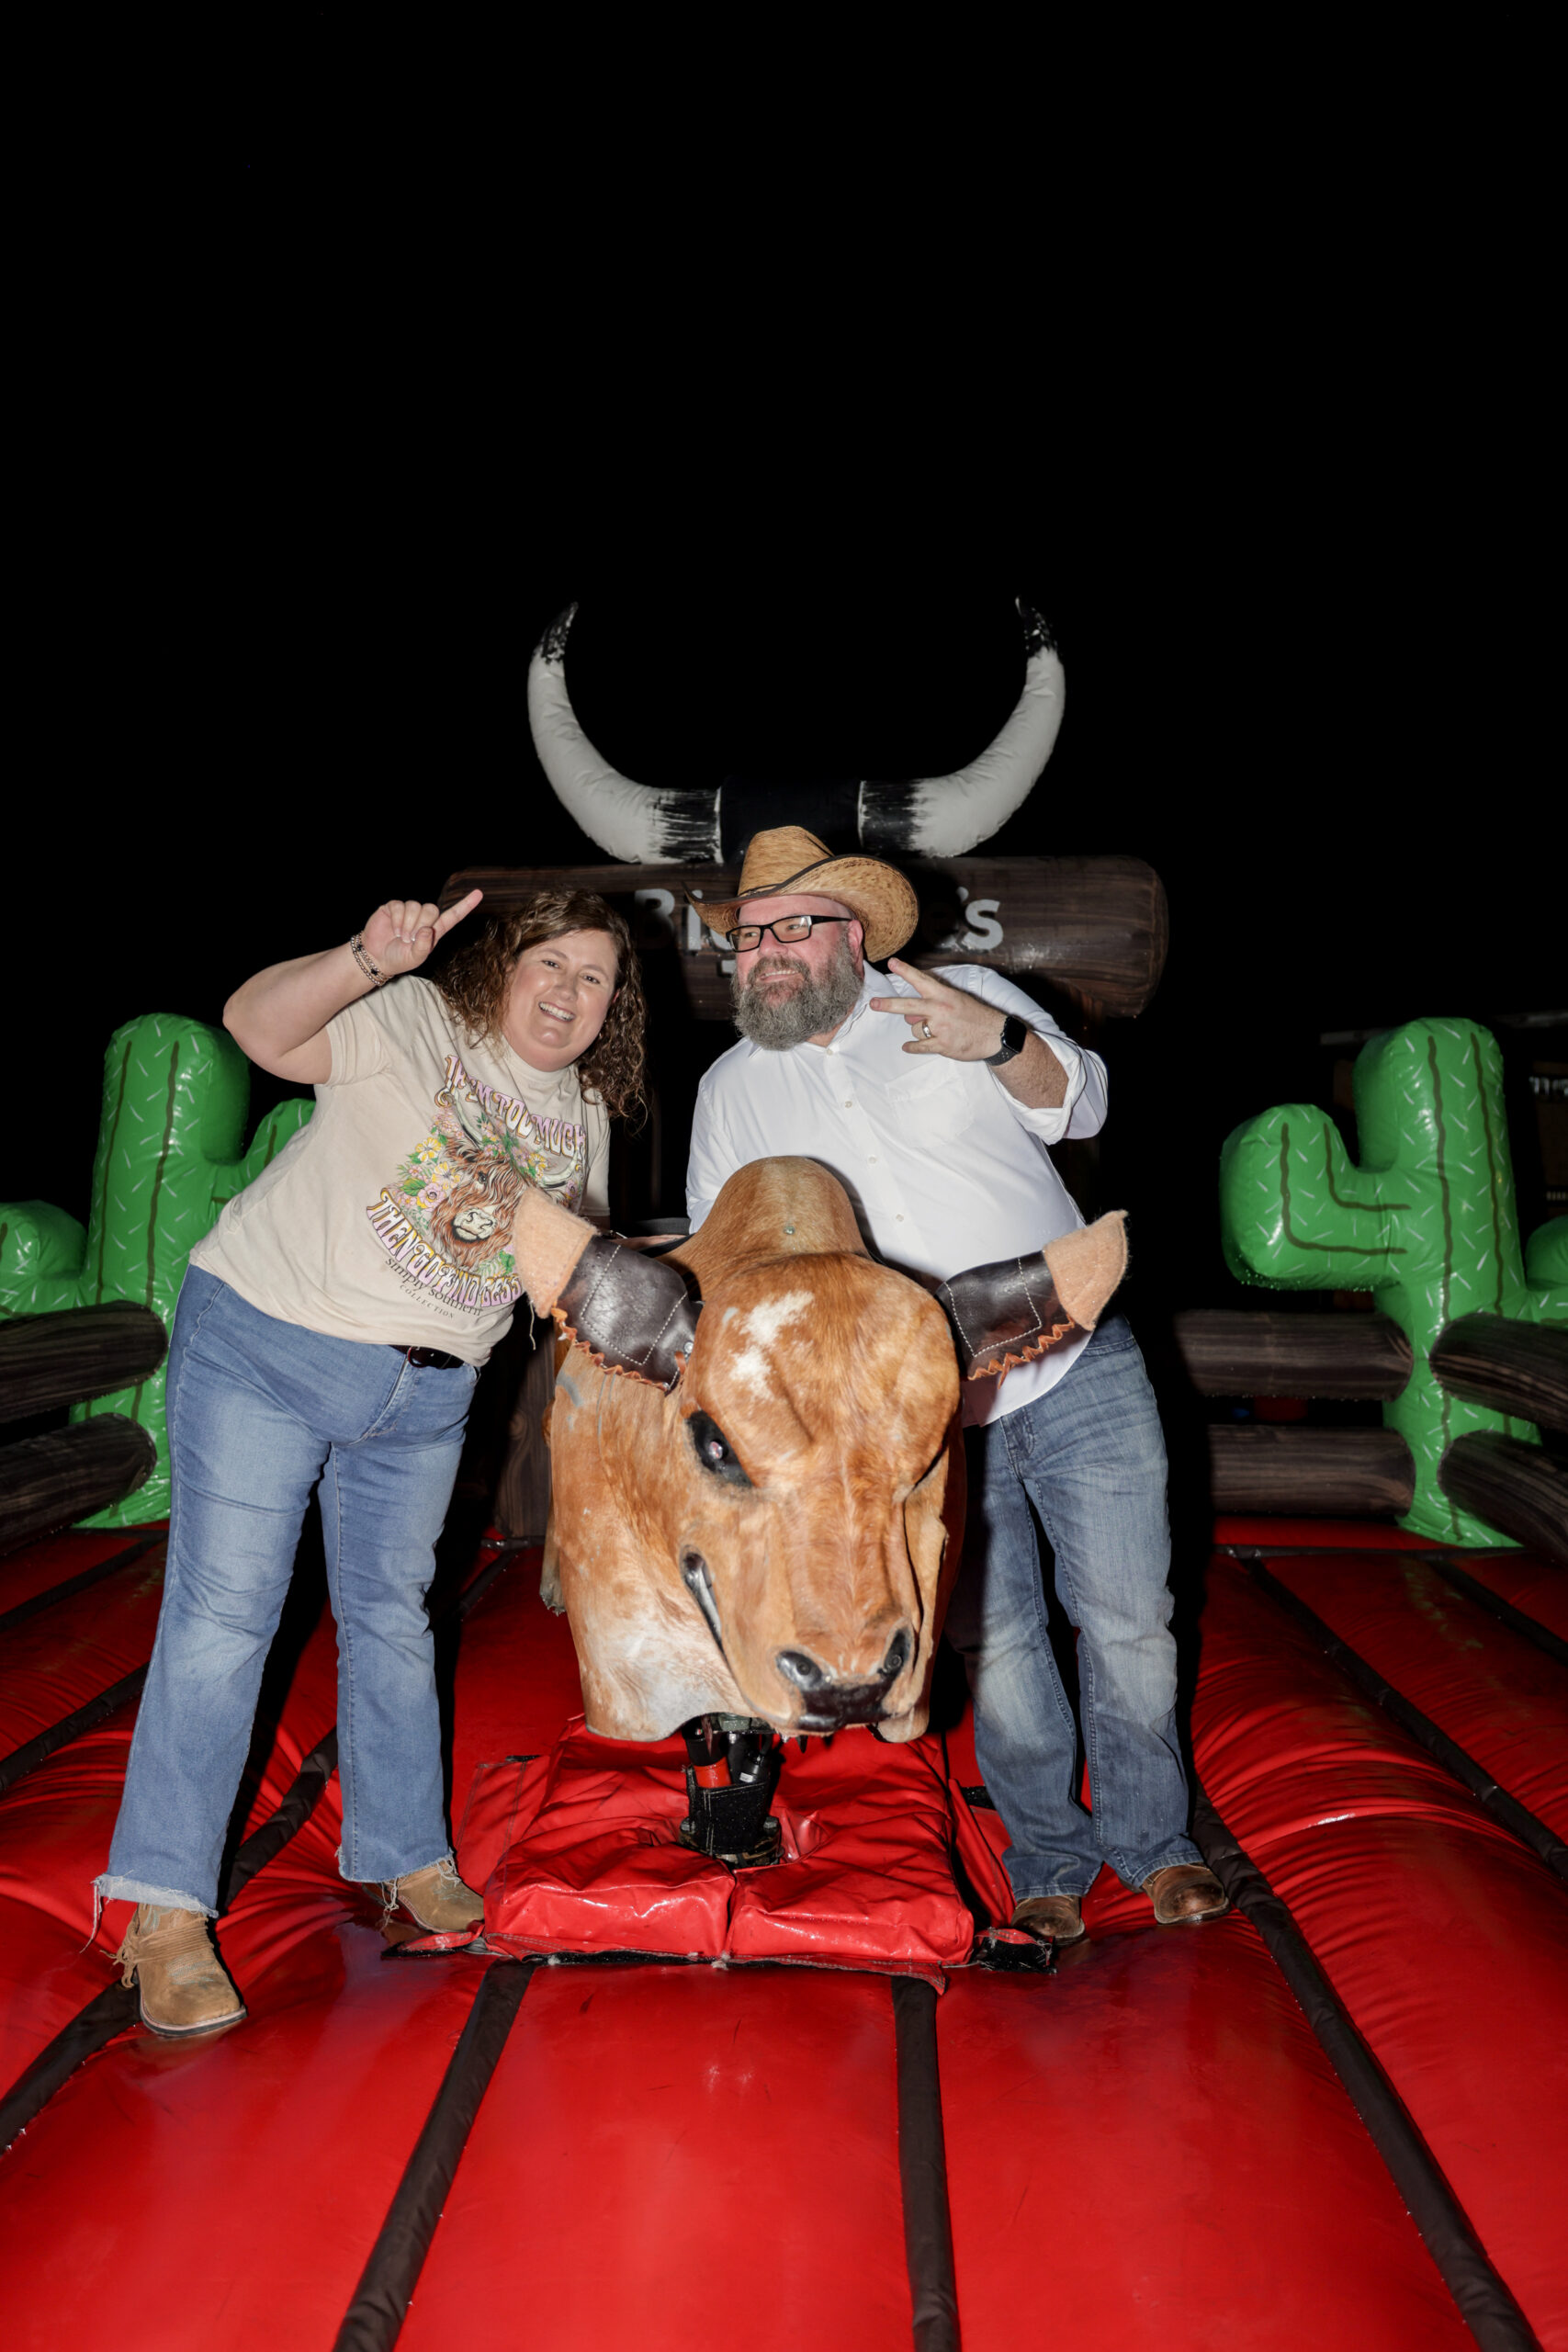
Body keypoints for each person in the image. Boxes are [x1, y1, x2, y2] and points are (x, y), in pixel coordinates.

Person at [96, 887, 647, 2032]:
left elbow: (565, 1267)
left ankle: (401, 1853)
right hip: (269, 1340)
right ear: (505, 966)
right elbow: (256, 1026)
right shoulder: (415, 1022)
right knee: (226, 1615)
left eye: (594, 977)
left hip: (428, 1393)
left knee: (394, 1615)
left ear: (613, 1005)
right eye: (550, 962)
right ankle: (162, 1912)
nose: (568, 991)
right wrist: (363, 957)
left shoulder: (585, 1114)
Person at [684, 827, 1225, 1944]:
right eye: (748, 937)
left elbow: (1081, 1105)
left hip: (1074, 1355)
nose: (765, 952)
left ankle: (1156, 1844)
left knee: (1130, 1620)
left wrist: (1000, 1041)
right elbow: (725, 1269)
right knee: (1001, 1641)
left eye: (792, 928)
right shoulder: (730, 1092)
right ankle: (1048, 1858)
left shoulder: (960, 996)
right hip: (913, 1420)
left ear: (852, 935)